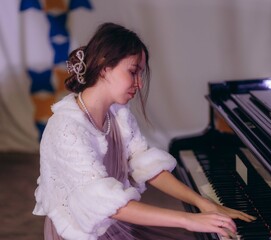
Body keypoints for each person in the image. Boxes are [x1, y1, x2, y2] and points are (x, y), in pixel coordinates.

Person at [33, 22, 255, 240]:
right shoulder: (67, 127)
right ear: (104, 67)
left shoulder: (118, 114)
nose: (139, 84)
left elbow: (145, 165)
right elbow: (102, 205)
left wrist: (202, 203)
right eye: (133, 72)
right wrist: (189, 220)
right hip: (82, 232)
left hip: (112, 220)